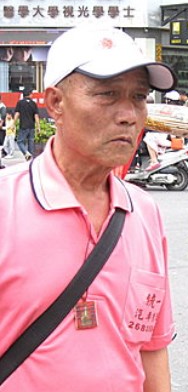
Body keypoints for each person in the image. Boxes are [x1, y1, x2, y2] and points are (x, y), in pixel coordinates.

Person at [0, 24, 177, 390]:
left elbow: (152, 349)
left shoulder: (144, 212)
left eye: (139, 97)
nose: (129, 114)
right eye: (107, 94)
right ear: (55, 103)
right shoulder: (6, 205)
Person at [14, 87, 40, 161]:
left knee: (19, 141)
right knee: (30, 142)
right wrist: (38, 126)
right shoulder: (33, 103)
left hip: (23, 126)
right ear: (30, 94)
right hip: (32, 126)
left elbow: (17, 114)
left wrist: (13, 124)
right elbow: (36, 116)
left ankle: (26, 153)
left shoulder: (20, 103)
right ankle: (30, 160)